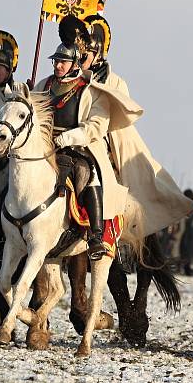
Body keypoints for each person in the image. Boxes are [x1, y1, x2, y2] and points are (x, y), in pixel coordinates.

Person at [79, 14, 193, 244]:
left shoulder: (115, 80)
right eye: (80, 54)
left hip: (109, 136)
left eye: (86, 55)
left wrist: (93, 86)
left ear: (97, 54)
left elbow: (120, 107)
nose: (82, 59)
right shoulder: (74, 77)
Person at [34, 15, 142, 259]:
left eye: (84, 57)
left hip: (88, 144)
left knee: (90, 173)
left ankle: (95, 234)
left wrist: (69, 138)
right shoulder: (47, 84)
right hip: (46, 145)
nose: (81, 61)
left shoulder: (103, 83)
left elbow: (101, 124)